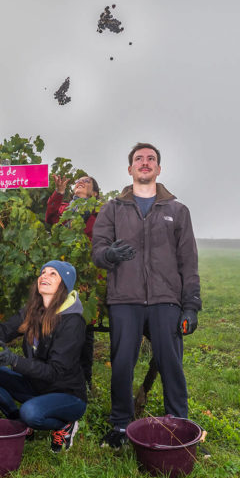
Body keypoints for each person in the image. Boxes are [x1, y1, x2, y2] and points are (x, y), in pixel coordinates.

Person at [90, 142, 201, 449]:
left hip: (166, 299)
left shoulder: (177, 211)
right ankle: (121, 427)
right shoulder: (112, 209)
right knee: (122, 363)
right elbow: (97, 250)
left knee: (171, 364)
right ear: (130, 169)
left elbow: (188, 261)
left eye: (151, 159)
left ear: (158, 169)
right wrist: (109, 254)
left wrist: (190, 306)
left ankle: (179, 423)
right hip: (124, 299)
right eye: (139, 158)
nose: (145, 162)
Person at [0, 261, 88, 453]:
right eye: (43, 272)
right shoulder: (31, 311)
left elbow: (55, 372)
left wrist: (16, 361)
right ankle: (21, 424)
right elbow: (2, 334)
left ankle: (64, 425)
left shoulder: (73, 322)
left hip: (67, 395)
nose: (44, 276)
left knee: (30, 411)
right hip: (36, 386)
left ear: (64, 284)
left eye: (53, 274)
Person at [46, 174, 101, 241]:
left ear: (94, 193)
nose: (80, 182)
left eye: (86, 181)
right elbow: (50, 218)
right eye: (78, 181)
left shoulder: (99, 216)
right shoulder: (64, 207)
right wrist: (59, 192)